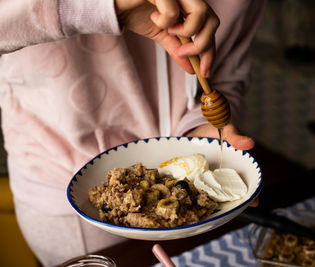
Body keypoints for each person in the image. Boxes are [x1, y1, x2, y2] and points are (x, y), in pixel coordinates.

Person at [0, 0, 266, 266]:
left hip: (198, 208)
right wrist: (104, 6)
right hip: (71, 199)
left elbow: (228, 66)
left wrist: (200, 132)